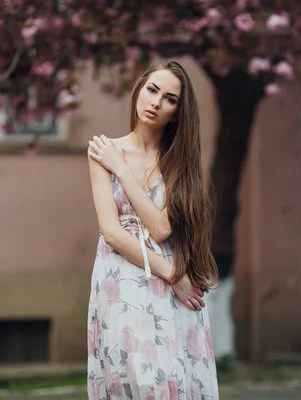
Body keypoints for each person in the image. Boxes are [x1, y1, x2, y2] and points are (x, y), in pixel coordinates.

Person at [86, 60, 219, 400]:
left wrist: (122, 170)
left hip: (174, 288)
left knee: (173, 381)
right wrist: (173, 275)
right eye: (152, 90)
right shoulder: (102, 151)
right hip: (124, 279)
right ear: (139, 91)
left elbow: (160, 228)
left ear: (176, 113)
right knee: (136, 380)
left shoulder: (180, 161)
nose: (156, 102)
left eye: (169, 99)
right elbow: (112, 233)